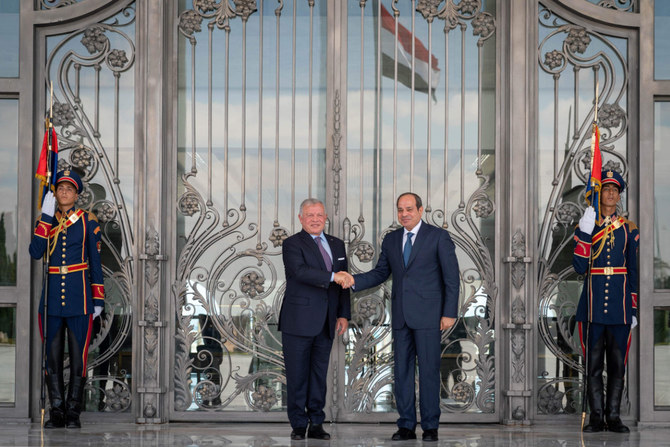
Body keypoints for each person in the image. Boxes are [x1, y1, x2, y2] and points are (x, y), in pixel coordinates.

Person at [337, 192, 460, 442]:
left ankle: (430, 426)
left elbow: (451, 278)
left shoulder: (438, 237)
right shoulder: (392, 240)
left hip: (429, 317)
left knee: (428, 371)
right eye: (400, 210)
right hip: (402, 317)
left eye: (409, 209)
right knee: (402, 372)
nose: (404, 214)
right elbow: (381, 273)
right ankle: (405, 425)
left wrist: (449, 313)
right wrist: (354, 281)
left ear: (420, 209)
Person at [29, 170, 105, 428]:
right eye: (60, 188)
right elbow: (35, 252)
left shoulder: (88, 221)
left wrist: (97, 298)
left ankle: (73, 412)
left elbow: (95, 262)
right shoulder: (47, 220)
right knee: (51, 357)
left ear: (77, 195)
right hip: (51, 298)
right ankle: (56, 411)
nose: (63, 192)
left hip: (79, 297)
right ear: (55, 193)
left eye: (69, 189)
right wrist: (46, 218)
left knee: (78, 356)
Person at [279, 198, 351, 440]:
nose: (315, 219)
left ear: (326, 217)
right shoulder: (291, 244)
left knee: (319, 375)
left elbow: (344, 284)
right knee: (298, 375)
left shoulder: (337, 244)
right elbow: (300, 272)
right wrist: (333, 276)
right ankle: (299, 424)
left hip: (327, 320)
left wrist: (343, 314)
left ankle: (317, 423)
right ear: (301, 218)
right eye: (310, 215)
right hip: (298, 320)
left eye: (319, 214)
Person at [573, 169, 638, 433]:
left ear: (619, 196)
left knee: (617, 364)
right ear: (598, 195)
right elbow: (579, 266)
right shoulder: (588, 225)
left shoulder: (629, 229)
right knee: (593, 364)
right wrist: (586, 232)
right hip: (592, 305)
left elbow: (633, 270)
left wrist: (632, 307)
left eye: (615, 190)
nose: (610, 193)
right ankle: (596, 417)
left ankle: (614, 416)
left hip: (620, 308)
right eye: (606, 189)